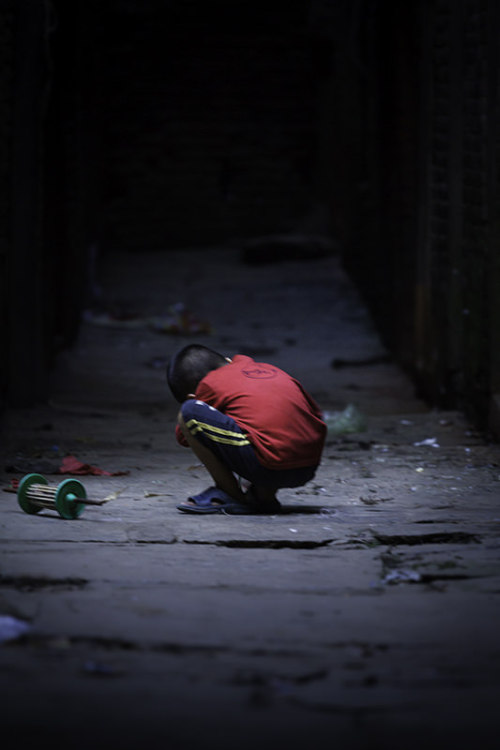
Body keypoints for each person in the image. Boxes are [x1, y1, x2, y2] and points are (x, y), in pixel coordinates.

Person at [166, 344, 327, 514]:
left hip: (270, 469)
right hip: (308, 468)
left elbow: (184, 435)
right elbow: (315, 414)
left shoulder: (209, 384)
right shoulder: (271, 370)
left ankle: (231, 494)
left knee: (189, 413)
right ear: (228, 361)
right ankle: (263, 496)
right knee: (260, 427)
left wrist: (200, 402)